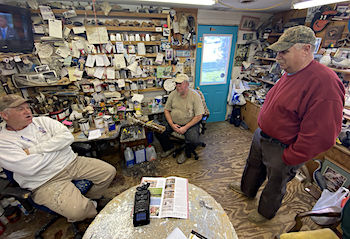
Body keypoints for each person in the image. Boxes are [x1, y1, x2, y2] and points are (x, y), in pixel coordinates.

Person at [230, 26, 345, 223]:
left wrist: (292, 156)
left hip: (282, 147)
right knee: (253, 166)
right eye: (278, 52)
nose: (278, 57)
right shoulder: (291, 71)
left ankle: (265, 213)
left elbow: (323, 134)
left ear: (306, 49)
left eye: (285, 51)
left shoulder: (324, 82)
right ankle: (247, 190)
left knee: (275, 182)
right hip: (263, 136)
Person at [0, 94, 117, 222]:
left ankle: (89, 201)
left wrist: (34, 151)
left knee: (108, 172)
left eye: (27, 107)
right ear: (5, 115)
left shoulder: (42, 121)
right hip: (45, 180)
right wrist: (59, 148)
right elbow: (29, 168)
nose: (27, 111)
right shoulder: (4, 142)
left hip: (72, 163)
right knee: (77, 212)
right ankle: (91, 211)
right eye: (19, 109)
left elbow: (67, 137)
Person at [155, 74, 204, 164]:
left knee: (193, 141)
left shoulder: (195, 96)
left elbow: (199, 116)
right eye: (176, 83)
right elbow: (167, 110)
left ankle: (186, 153)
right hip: (174, 122)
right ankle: (169, 147)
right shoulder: (173, 95)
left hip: (190, 123)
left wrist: (185, 127)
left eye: (179, 84)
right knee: (158, 131)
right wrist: (171, 124)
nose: (177, 86)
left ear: (186, 84)